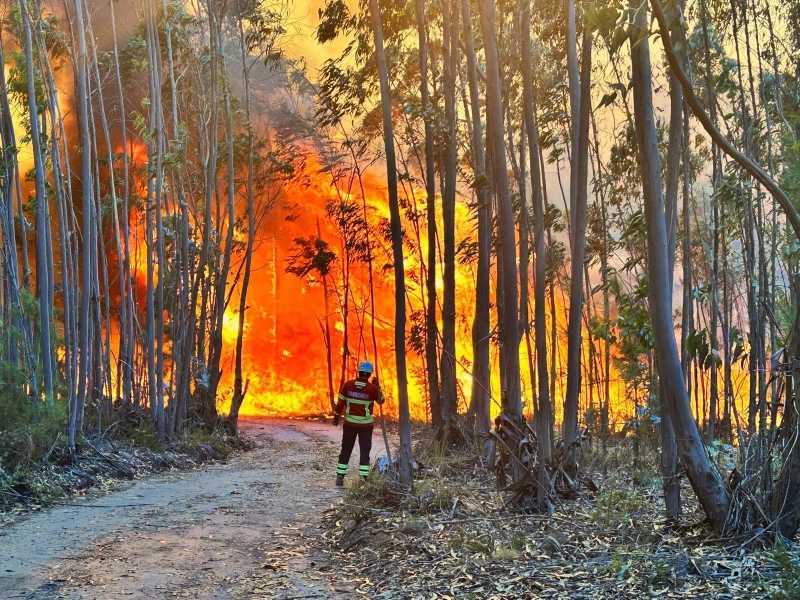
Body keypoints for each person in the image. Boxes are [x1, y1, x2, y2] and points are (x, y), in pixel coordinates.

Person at [333, 361, 384, 487]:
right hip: (365, 426)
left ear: (359, 372)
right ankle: (364, 479)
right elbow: (381, 401)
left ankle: (340, 477)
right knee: (365, 451)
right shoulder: (372, 389)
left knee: (346, 450)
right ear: (369, 375)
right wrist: (378, 387)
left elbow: (340, 404)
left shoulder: (348, 385)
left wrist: (336, 417)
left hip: (350, 424)